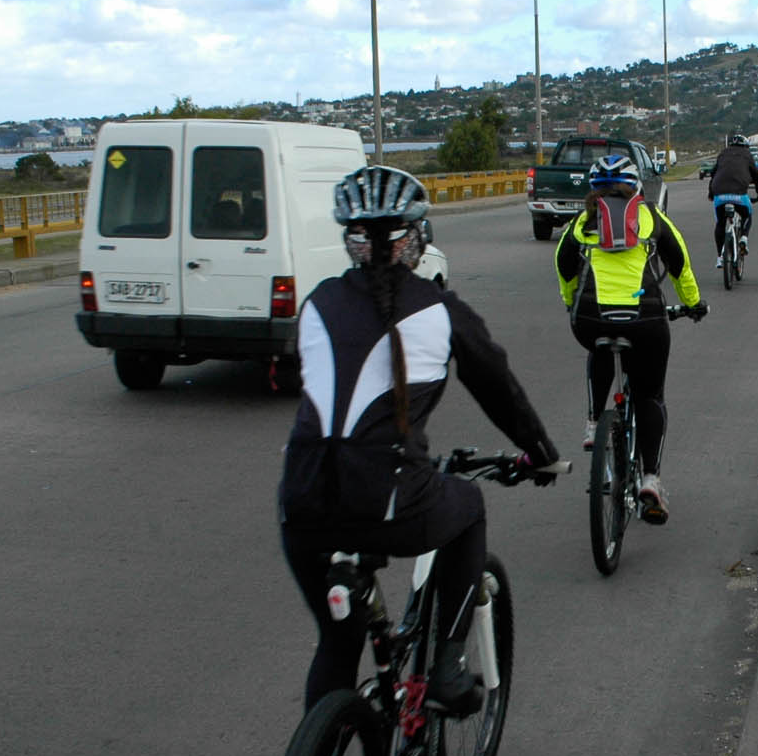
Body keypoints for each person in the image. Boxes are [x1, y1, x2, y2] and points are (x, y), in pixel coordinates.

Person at [278, 165, 563, 718]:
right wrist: (541, 455)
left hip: (302, 502)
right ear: (416, 237)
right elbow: (501, 392)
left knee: (337, 642)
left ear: (351, 241)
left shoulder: (317, 302)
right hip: (388, 500)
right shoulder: (440, 309)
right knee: (469, 506)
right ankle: (447, 669)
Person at [554, 153, 706, 524]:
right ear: (635, 186)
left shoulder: (581, 223)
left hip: (590, 318)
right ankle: (651, 480)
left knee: (600, 345)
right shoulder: (651, 217)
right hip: (645, 320)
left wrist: (571, 301)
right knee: (649, 395)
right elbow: (680, 265)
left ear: (593, 190)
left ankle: (594, 422)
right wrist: (693, 303)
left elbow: (564, 267)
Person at [703, 133, 758, 269]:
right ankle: (743, 238)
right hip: (739, 195)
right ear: (746, 146)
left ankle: (720, 257)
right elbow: (757, 176)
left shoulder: (722, 154)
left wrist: (711, 194)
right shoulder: (747, 155)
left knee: (720, 224)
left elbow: (714, 174)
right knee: (747, 215)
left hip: (719, 195)